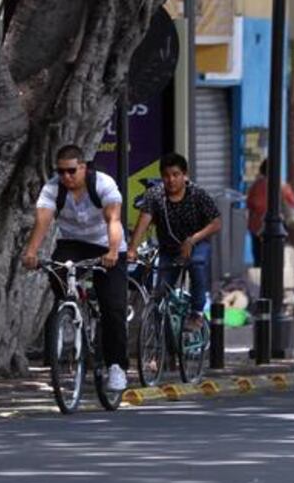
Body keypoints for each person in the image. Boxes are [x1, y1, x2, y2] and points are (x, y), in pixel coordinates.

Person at [22, 144, 129, 392]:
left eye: (71, 171)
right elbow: (43, 221)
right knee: (57, 271)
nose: (66, 177)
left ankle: (116, 367)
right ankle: (71, 310)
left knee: (113, 308)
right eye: (61, 171)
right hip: (74, 244)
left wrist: (113, 251)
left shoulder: (103, 184)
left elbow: (113, 219)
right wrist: (31, 252)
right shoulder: (53, 188)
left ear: (83, 167)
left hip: (106, 245)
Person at [127, 153, 222, 330]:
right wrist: (132, 249)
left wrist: (192, 240)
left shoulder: (197, 194)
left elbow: (216, 222)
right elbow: (143, 221)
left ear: (184, 175)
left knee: (197, 263)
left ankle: (197, 313)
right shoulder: (155, 196)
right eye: (166, 175)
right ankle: (162, 347)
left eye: (175, 175)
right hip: (169, 248)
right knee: (161, 295)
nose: (171, 180)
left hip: (197, 243)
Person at [246, 159, 294, 267]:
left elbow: (250, 203)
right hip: (278, 227)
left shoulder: (257, 185)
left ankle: (259, 278)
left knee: (258, 256)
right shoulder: (282, 186)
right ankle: (275, 278)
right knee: (275, 256)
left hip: (257, 226)